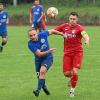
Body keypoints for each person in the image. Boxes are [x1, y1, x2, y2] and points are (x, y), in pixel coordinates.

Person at [54, 12, 89, 97]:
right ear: (69, 19)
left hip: (78, 52)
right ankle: (71, 78)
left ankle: (72, 91)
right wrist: (61, 33)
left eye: (74, 19)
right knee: (66, 73)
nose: (72, 20)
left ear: (77, 20)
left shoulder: (80, 28)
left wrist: (87, 40)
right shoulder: (64, 26)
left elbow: (85, 34)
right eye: (71, 19)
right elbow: (54, 31)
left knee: (75, 71)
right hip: (67, 53)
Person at [28, 29, 64, 97]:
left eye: (34, 35)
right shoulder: (30, 44)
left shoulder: (43, 34)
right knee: (39, 77)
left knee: (42, 71)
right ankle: (44, 87)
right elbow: (39, 54)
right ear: (29, 37)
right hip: (38, 60)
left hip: (48, 58)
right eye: (30, 36)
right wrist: (49, 51)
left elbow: (52, 31)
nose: (33, 37)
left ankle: (37, 91)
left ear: (37, 33)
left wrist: (62, 34)